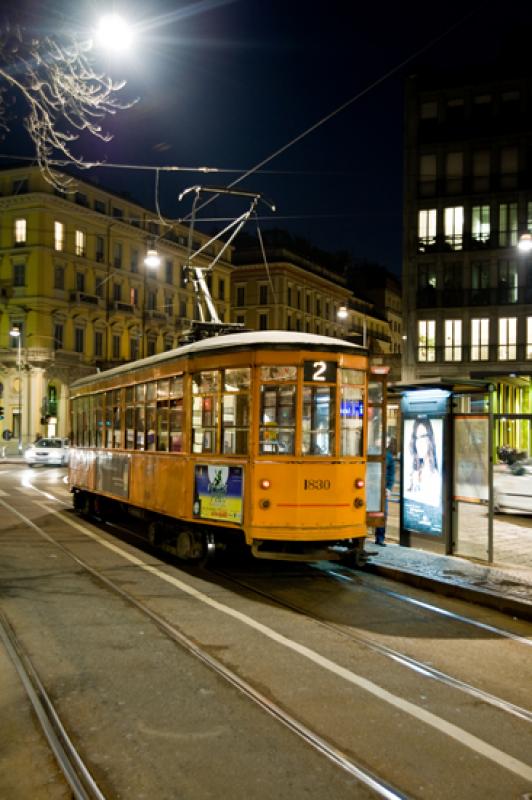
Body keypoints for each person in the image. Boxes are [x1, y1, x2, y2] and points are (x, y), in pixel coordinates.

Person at [407, 417, 440, 506]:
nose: (419, 442)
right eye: (416, 437)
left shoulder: (434, 476)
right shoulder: (413, 471)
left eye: (424, 436)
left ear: (430, 440)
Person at [375, 442, 395, 546]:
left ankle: (380, 538)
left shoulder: (388, 456)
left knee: (383, 513)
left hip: (382, 488)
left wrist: (389, 488)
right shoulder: (371, 451)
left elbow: (391, 474)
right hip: (370, 487)